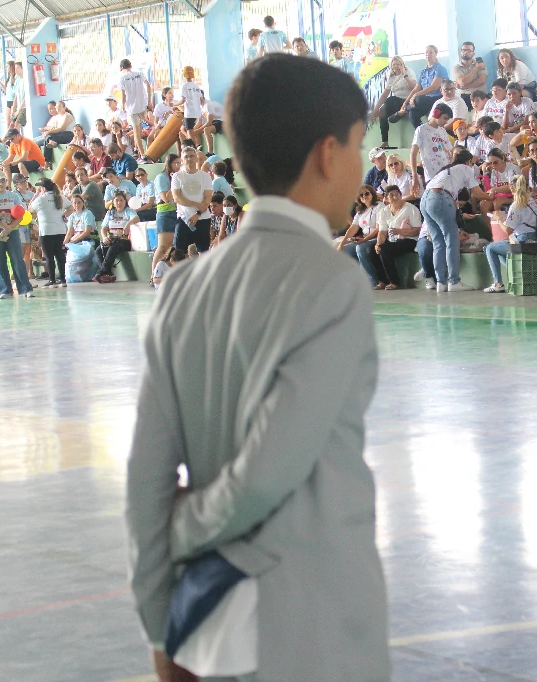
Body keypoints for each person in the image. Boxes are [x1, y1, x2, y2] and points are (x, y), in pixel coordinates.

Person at [126, 54, 390, 682]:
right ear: (327, 154)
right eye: (359, 146)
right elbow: (266, 475)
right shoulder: (333, 282)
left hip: (208, 629)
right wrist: (183, 527)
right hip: (311, 626)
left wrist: (162, 626)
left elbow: (145, 480)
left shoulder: (183, 286)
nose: (361, 166)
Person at [419, 149, 492, 292]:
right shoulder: (466, 168)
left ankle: (441, 282)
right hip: (440, 198)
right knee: (452, 241)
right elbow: (477, 193)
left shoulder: (446, 170)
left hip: (425, 200)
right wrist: (492, 196)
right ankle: (454, 281)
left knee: (438, 242)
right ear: (468, 161)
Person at [483, 175, 537, 293]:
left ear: (511, 188)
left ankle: (498, 283)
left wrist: (499, 218)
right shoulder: (532, 201)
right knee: (498, 249)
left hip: (522, 241)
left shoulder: (516, 205)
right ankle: (516, 273)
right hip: (534, 238)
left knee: (489, 248)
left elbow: (507, 230)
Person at [0, 171, 32, 299]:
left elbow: (20, 214)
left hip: (12, 230)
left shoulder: (13, 196)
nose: (1, 183)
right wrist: (3, 226)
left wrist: (10, 227)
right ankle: (5, 289)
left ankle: (25, 288)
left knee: (17, 258)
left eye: (3, 180)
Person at [370, 184, 421, 290]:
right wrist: (378, 244)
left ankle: (394, 282)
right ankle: (382, 281)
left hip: (409, 240)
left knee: (386, 250)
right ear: (386, 198)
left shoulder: (411, 209)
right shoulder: (384, 211)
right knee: (372, 250)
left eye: (396, 194)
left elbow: (417, 230)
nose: (394, 197)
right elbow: (382, 232)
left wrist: (400, 231)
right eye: (391, 195)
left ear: (401, 195)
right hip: (392, 240)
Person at [172, 145, 213, 256]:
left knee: (204, 252)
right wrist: (196, 205)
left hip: (203, 218)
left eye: (192, 156)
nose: (189, 159)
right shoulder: (177, 176)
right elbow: (177, 198)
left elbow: (207, 198)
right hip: (184, 218)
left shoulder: (205, 176)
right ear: (182, 160)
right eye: (186, 157)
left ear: (196, 158)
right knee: (179, 252)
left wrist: (198, 214)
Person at [28, 178, 68, 288]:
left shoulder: (41, 199)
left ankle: (52, 280)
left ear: (43, 188)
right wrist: (63, 215)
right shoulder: (60, 197)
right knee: (59, 254)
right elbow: (70, 207)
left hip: (46, 230)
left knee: (49, 256)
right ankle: (63, 279)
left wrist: (36, 195)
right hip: (60, 229)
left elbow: (30, 209)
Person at [370, 56, 417, 148]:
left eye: (398, 64)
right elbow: (384, 95)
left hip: (407, 100)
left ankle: (398, 114)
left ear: (403, 65)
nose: (396, 66)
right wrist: (376, 109)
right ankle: (385, 141)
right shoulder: (391, 76)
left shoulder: (409, 72)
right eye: (394, 64)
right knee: (382, 111)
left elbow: (414, 88)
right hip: (396, 102)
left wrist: (405, 75)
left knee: (390, 100)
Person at [398, 45, 449, 128]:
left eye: (431, 52)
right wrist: (405, 103)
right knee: (413, 113)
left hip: (437, 98)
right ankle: (423, 132)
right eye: (426, 53)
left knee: (419, 99)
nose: (428, 54)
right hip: (425, 101)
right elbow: (416, 89)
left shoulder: (440, 69)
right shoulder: (423, 72)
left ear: (436, 53)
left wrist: (415, 95)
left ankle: (404, 111)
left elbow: (433, 87)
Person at [93, 193, 138, 283]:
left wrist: (128, 224)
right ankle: (108, 274)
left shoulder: (129, 211)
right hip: (112, 239)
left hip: (124, 240)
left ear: (125, 202)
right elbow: (104, 228)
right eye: (117, 200)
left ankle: (100, 273)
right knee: (98, 250)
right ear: (113, 202)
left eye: (121, 200)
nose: (119, 203)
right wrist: (104, 237)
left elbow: (136, 218)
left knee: (113, 248)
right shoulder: (110, 213)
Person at [409, 103, 454, 189]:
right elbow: (413, 154)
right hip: (432, 176)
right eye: (445, 118)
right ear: (436, 113)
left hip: (446, 174)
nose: (446, 122)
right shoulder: (421, 130)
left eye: (447, 119)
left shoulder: (443, 131)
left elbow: (450, 151)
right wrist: (414, 176)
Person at [118, 59, 153, 160]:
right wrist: (149, 101)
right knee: (139, 131)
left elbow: (123, 95)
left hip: (132, 109)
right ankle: (138, 151)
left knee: (137, 133)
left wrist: (123, 106)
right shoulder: (139, 74)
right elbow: (148, 85)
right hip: (143, 106)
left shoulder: (122, 78)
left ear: (121, 68)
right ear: (131, 66)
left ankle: (143, 155)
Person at [453, 42, 487, 109]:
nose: (466, 52)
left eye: (469, 50)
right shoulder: (456, 68)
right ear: (461, 52)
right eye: (464, 50)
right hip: (465, 96)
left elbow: (481, 81)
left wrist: (465, 86)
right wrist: (476, 68)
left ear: (473, 53)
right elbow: (463, 82)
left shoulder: (480, 64)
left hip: (480, 95)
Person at [178, 66, 205, 143]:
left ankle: (194, 146)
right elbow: (202, 100)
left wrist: (173, 104)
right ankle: (197, 145)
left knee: (189, 131)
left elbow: (182, 100)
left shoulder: (184, 86)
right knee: (188, 131)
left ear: (184, 75)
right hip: (197, 113)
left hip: (189, 113)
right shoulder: (196, 86)